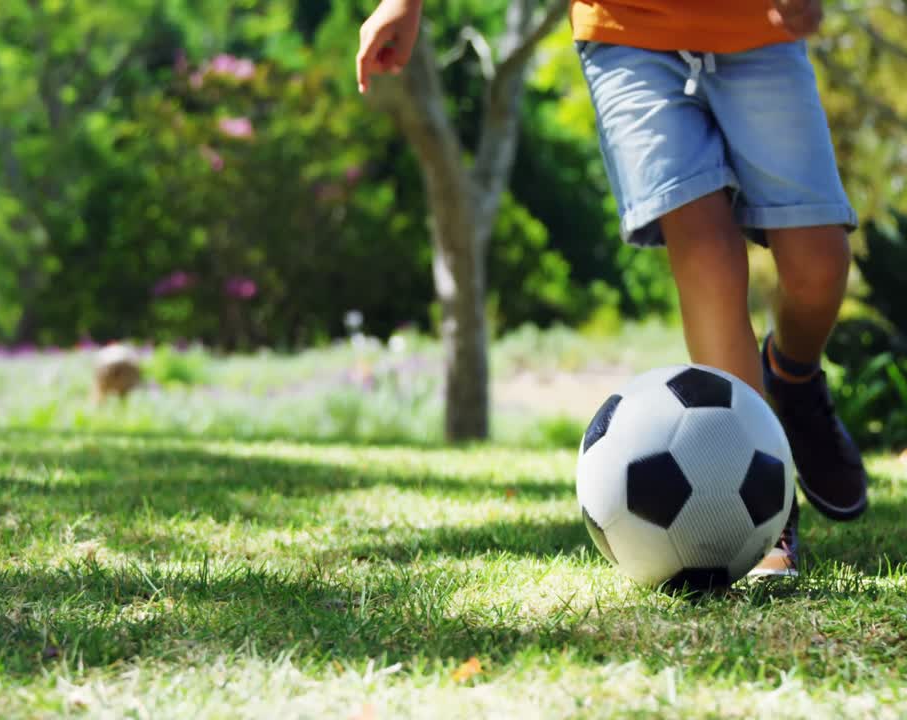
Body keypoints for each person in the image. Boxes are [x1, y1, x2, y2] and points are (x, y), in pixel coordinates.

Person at [355, 0, 868, 577]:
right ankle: (768, 513)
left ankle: (793, 377)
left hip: (759, 31)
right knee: (705, 254)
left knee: (819, 265)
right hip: (628, 33)